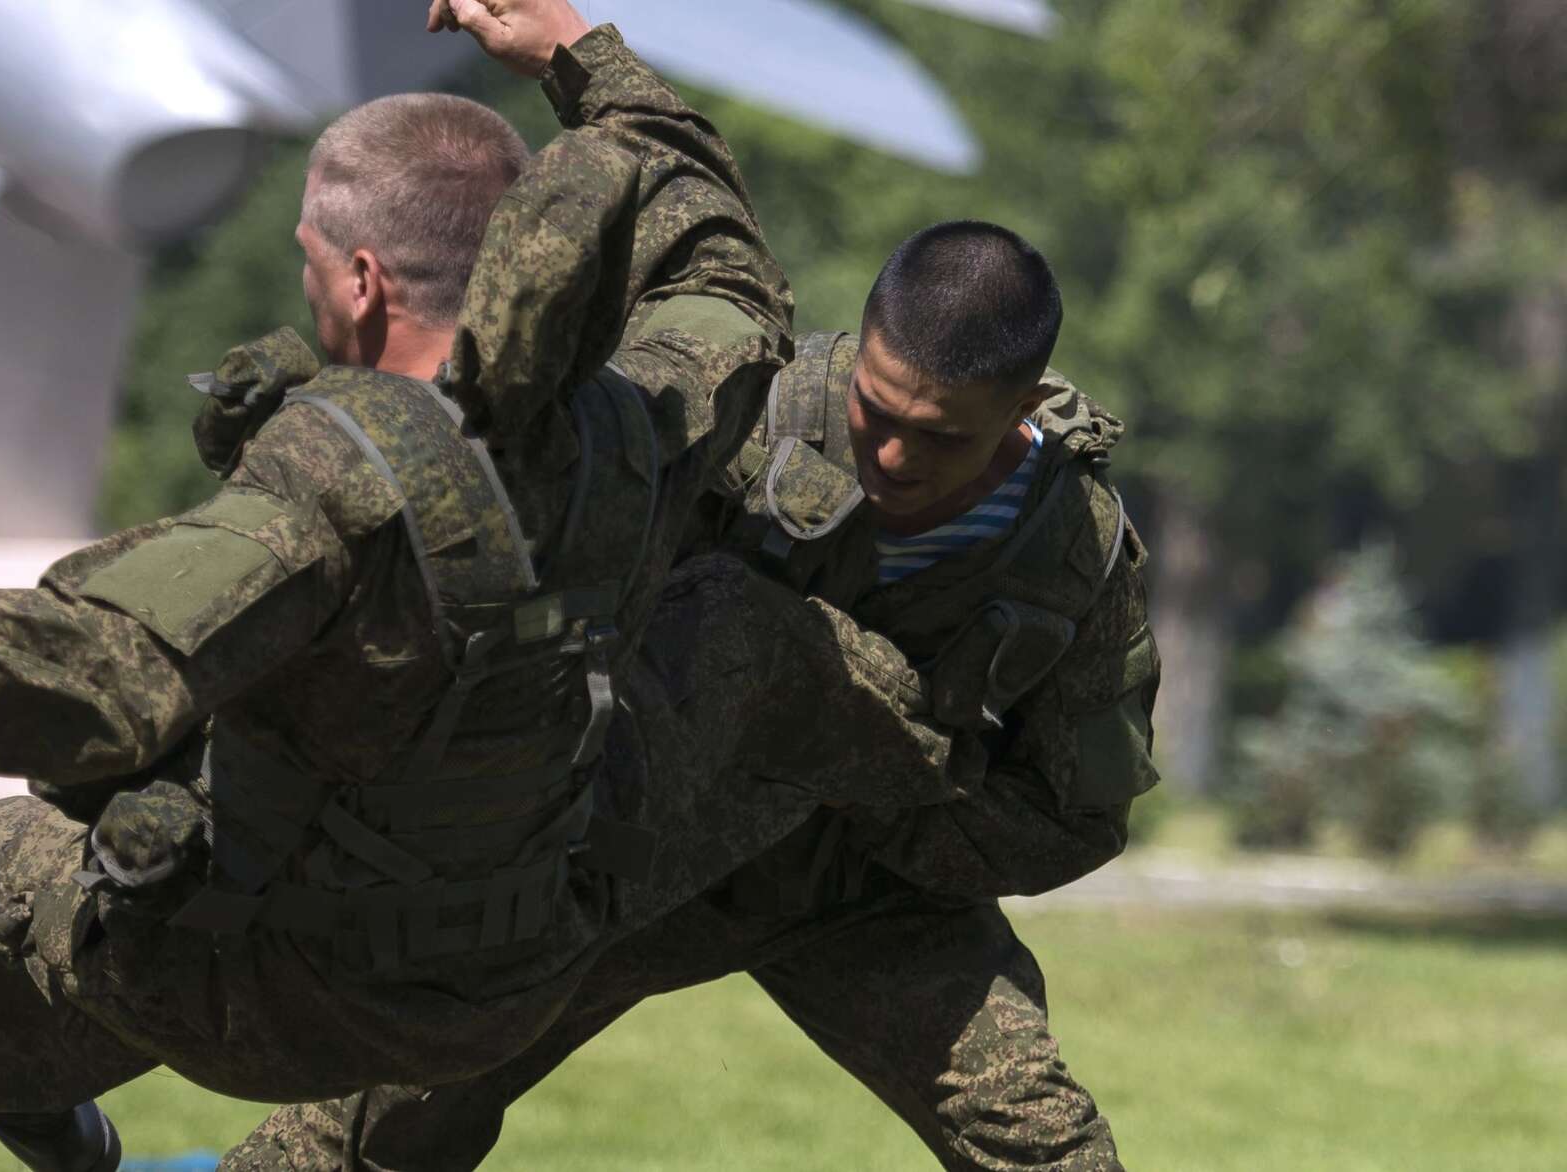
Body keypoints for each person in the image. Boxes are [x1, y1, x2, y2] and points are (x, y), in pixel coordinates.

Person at [0, 4, 943, 1169]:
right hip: (514, 979)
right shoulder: (640, 430)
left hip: (290, 1000)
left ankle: (69, 1147)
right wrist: (587, 52)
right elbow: (727, 274)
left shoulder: (336, 476)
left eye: (312, 265)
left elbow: (89, 671)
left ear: (367, 282)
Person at [224, 222, 1158, 1171]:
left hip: (868, 890)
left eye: (942, 436)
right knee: (384, 1103)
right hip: (633, 844)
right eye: (878, 413)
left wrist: (871, 795)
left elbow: (1074, 816)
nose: (895, 459)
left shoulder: (1071, 550)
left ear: (1026, 406)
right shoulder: (746, 411)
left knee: (1048, 1147)